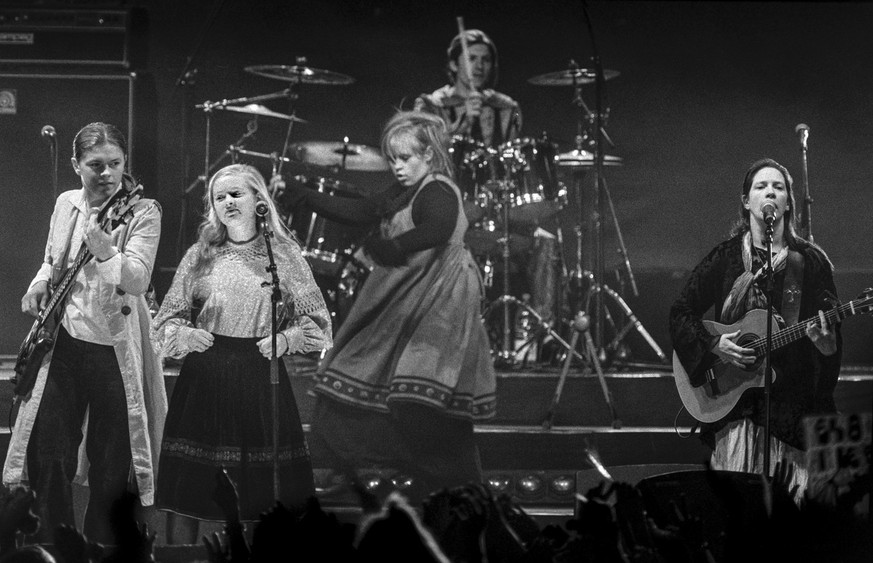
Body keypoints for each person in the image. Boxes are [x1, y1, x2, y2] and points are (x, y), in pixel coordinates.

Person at [275, 111, 497, 498]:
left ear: (428, 155)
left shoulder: (438, 188)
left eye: (405, 158)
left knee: (419, 395)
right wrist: (304, 195)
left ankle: (456, 488)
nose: (397, 167)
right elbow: (360, 212)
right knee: (358, 381)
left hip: (439, 300)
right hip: (406, 294)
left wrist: (395, 246)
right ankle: (383, 475)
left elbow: (439, 228)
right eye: (392, 159)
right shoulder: (404, 190)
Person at [5, 122, 167, 544]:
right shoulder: (66, 204)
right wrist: (38, 283)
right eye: (96, 165)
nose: (107, 173)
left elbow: (138, 280)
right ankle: (57, 542)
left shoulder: (144, 211)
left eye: (115, 163)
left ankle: (103, 546)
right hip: (66, 343)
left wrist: (107, 253)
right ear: (77, 165)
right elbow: (51, 258)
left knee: (111, 461)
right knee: (49, 452)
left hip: (115, 351)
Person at [151, 164, 331, 543]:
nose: (228, 202)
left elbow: (320, 327)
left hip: (259, 376)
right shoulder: (201, 255)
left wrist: (286, 340)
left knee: (260, 490)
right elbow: (165, 322)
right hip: (207, 375)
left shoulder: (283, 255)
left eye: (237, 194)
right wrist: (184, 335)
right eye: (220, 197)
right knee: (197, 488)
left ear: (258, 200)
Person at [669, 158, 842, 496]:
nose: (770, 192)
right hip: (736, 414)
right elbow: (680, 311)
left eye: (778, 187)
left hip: (791, 415)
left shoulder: (810, 261)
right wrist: (714, 344)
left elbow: (831, 335)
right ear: (747, 201)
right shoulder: (725, 258)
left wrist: (826, 345)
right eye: (761, 186)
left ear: (788, 202)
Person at [414, 28, 521, 149]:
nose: (479, 66)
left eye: (485, 60)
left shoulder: (506, 107)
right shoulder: (431, 106)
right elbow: (424, 152)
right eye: (472, 59)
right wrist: (464, 123)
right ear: (454, 65)